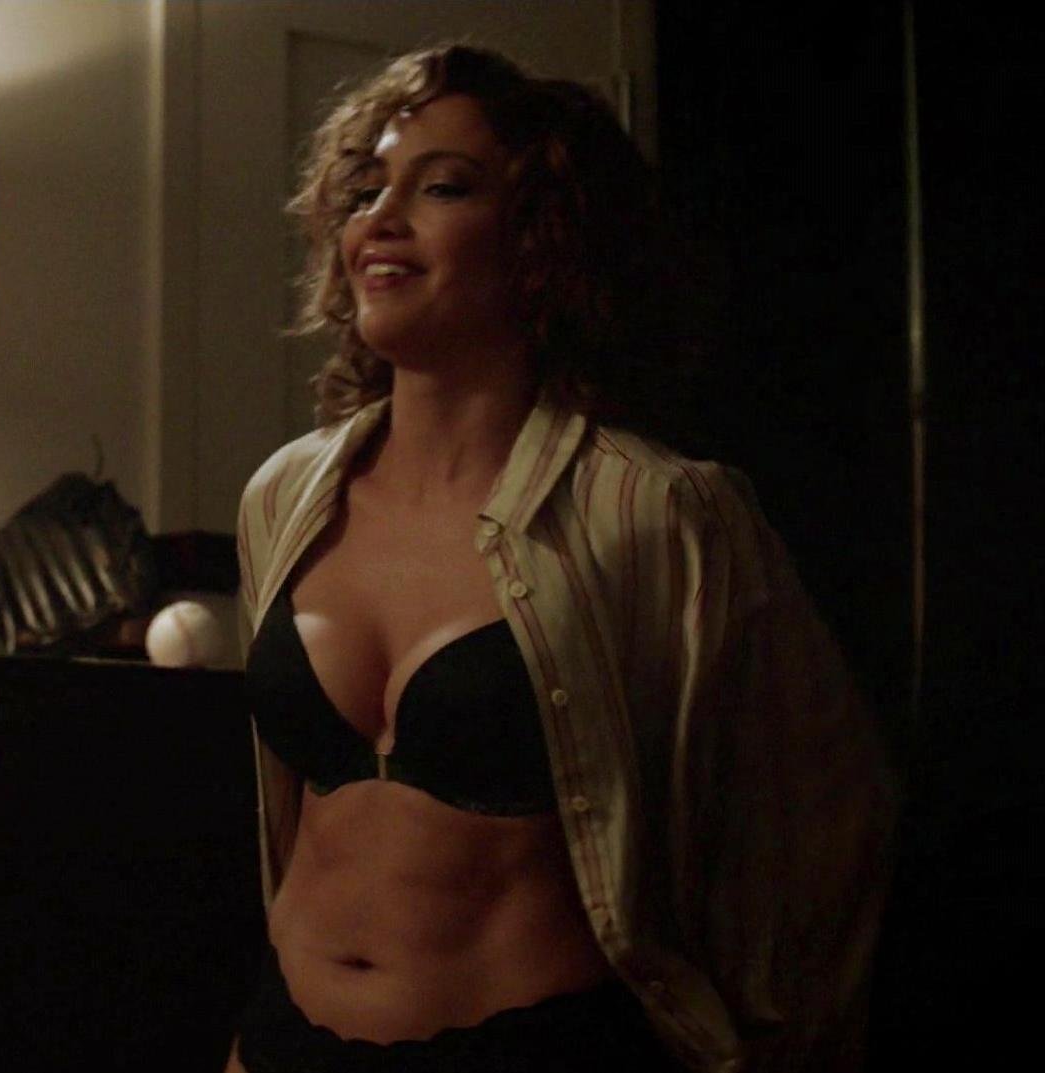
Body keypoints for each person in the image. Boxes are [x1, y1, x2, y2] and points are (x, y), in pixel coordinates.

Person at [226, 44, 896, 1073]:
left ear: (542, 237)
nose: (380, 218)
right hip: (286, 1036)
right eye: (367, 189)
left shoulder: (660, 513)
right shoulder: (284, 495)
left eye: (443, 187)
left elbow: (815, 837)